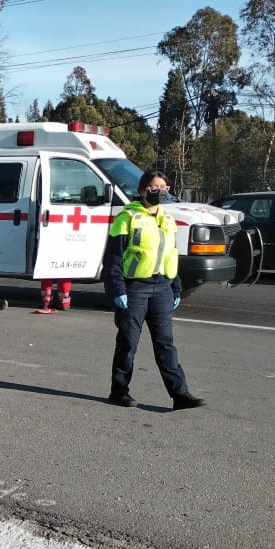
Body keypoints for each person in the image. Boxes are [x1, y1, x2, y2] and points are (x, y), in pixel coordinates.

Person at [103, 170, 205, 411]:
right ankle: (118, 391)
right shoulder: (126, 217)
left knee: (165, 343)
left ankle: (180, 395)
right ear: (142, 190)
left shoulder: (168, 220)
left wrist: (176, 286)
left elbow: (171, 255)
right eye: (153, 186)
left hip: (162, 287)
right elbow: (113, 258)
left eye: (163, 187)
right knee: (128, 343)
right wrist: (118, 289)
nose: (158, 191)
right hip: (134, 288)